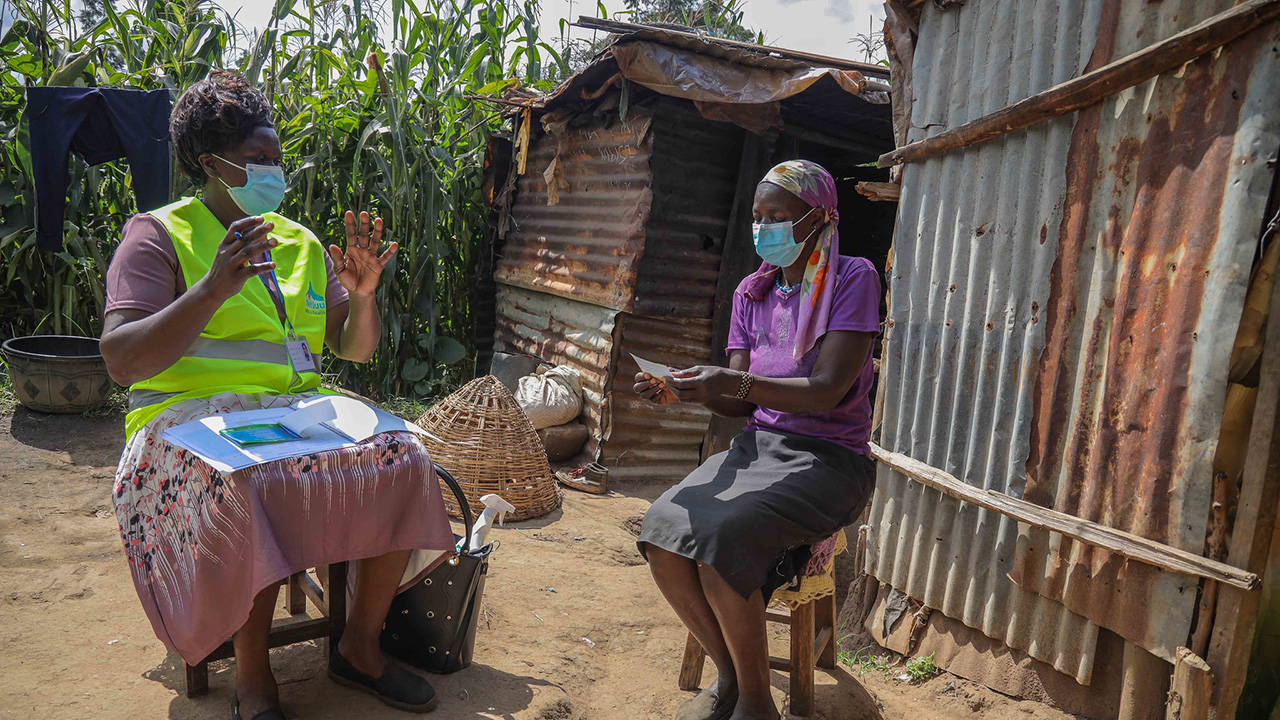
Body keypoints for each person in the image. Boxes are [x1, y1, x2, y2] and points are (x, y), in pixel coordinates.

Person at [101, 70, 456, 720]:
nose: (275, 171)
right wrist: (210, 289)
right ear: (212, 163)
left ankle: (360, 646)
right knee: (251, 485)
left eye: (277, 158)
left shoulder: (301, 243)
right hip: (181, 424)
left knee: (405, 457)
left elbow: (353, 348)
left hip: (295, 416)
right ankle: (255, 678)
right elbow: (122, 359)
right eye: (257, 160)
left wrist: (366, 293)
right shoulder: (155, 235)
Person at [634, 160, 880, 720]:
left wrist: (733, 380)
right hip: (759, 446)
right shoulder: (753, 292)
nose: (763, 228)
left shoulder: (852, 278)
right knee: (662, 531)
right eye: (757, 217)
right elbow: (741, 400)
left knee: (722, 538)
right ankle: (731, 678)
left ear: (817, 219)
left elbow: (825, 390)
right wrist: (688, 391)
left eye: (778, 217)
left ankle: (755, 703)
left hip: (831, 461)